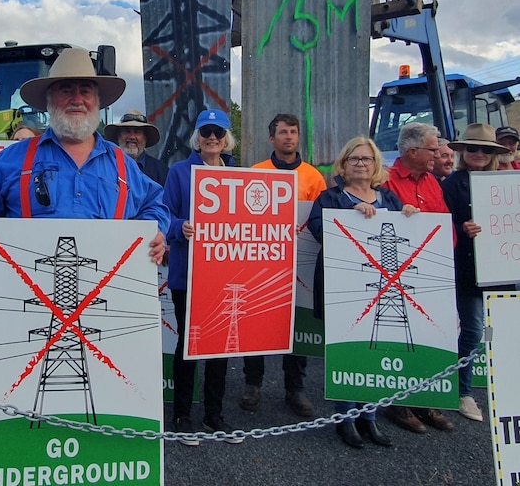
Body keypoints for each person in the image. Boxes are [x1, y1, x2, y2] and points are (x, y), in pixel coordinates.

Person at [0, 46, 169, 263]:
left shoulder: (122, 164)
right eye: (66, 91)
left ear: (98, 102)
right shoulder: (14, 158)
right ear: (49, 101)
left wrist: (156, 231)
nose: (76, 100)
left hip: (107, 289)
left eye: (85, 91)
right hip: (25, 288)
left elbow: (154, 204)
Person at [308, 136, 415, 448]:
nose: (360, 164)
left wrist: (408, 214)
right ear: (344, 164)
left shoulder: (390, 199)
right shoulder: (330, 199)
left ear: (376, 165)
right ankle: (345, 418)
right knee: (346, 352)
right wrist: (352, 217)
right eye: (354, 159)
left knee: (374, 353)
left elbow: (405, 236)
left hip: (382, 289)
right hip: (341, 288)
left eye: (366, 159)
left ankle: (370, 418)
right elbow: (317, 230)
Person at [163, 108, 241, 446]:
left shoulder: (240, 175)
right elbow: (163, 216)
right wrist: (180, 227)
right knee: (189, 345)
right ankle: (182, 416)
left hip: (226, 275)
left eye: (218, 133)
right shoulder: (180, 173)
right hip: (189, 275)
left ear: (226, 139)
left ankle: (214, 415)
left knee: (221, 346)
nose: (212, 138)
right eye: (206, 132)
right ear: (197, 137)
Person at [241, 113, 326, 418]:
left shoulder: (314, 177)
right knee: (256, 322)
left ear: (298, 137)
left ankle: (296, 388)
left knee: (297, 326)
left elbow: (320, 221)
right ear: (271, 139)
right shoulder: (255, 172)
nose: (288, 137)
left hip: (299, 262)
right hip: (261, 261)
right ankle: (253, 383)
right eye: (282, 132)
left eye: (293, 132)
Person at [382, 123, 454, 433]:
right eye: (433, 149)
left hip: (432, 271)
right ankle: (399, 403)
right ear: (413, 152)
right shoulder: (384, 182)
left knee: (426, 335)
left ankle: (425, 397)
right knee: (400, 339)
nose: (438, 154)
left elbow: (443, 221)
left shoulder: (433, 183)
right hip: (399, 273)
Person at [441, 124, 510, 422]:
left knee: (502, 332)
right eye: (472, 148)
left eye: (485, 149)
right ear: (462, 153)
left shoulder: (506, 185)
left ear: (494, 154)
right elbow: (438, 225)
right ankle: (463, 392)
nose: (478, 154)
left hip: (503, 269)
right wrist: (460, 228)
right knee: (472, 330)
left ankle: (503, 387)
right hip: (468, 271)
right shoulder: (451, 185)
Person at [103, 110, 168, 187]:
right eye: (126, 132)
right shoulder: (107, 167)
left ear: (145, 138)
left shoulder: (161, 171)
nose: (132, 137)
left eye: (137, 132)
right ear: (118, 137)